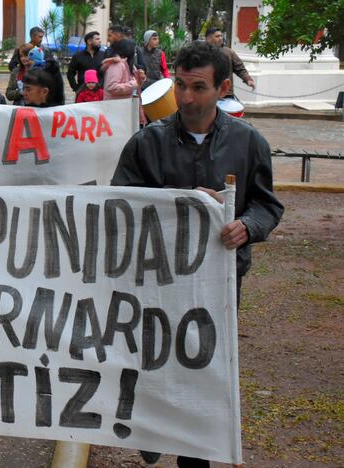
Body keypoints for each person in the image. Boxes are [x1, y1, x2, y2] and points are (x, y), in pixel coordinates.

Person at [111, 41, 283, 468]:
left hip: (218, 281)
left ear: (223, 87)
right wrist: (182, 201)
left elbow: (266, 205)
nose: (186, 98)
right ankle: (152, 427)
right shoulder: (145, 143)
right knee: (152, 359)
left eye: (198, 88)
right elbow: (119, 203)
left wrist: (247, 226)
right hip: (155, 277)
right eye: (180, 85)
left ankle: (192, 455)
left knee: (202, 372)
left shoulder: (248, 143)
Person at [205, 27, 255, 98]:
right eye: (217, 36)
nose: (220, 38)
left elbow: (240, 68)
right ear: (208, 38)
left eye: (221, 36)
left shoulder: (229, 52)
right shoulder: (201, 53)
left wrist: (248, 79)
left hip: (226, 93)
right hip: (206, 93)